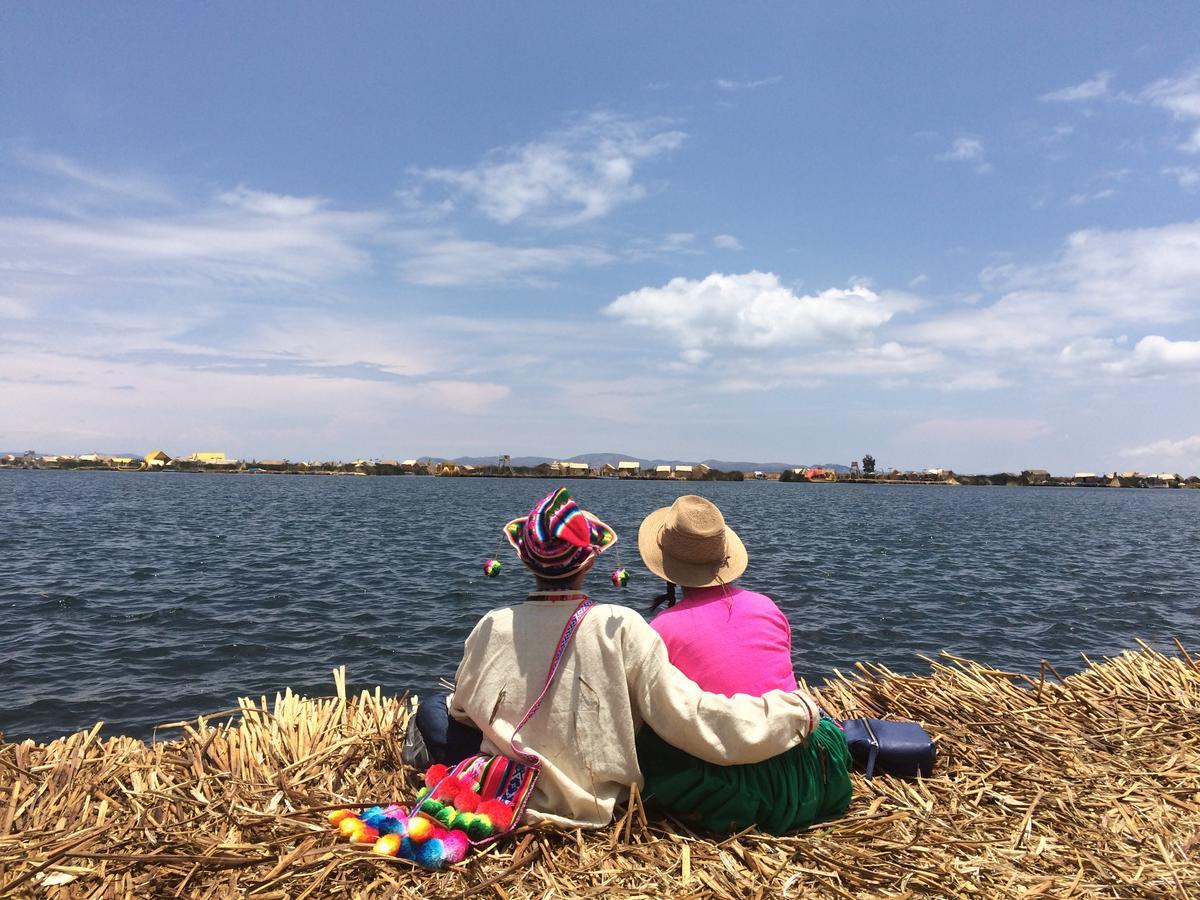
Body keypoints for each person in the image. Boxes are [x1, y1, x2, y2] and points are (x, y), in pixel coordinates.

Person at [437, 486, 823, 828]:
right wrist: (790, 713)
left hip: (511, 786)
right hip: (590, 794)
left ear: (524, 560)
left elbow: (464, 709)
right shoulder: (619, 624)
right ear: (590, 561)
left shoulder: (492, 623)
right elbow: (689, 717)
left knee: (433, 713)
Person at [635, 494, 852, 835]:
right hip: (814, 771)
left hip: (745, 786)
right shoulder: (766, 605)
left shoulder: (662, 629)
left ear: (667, 563)